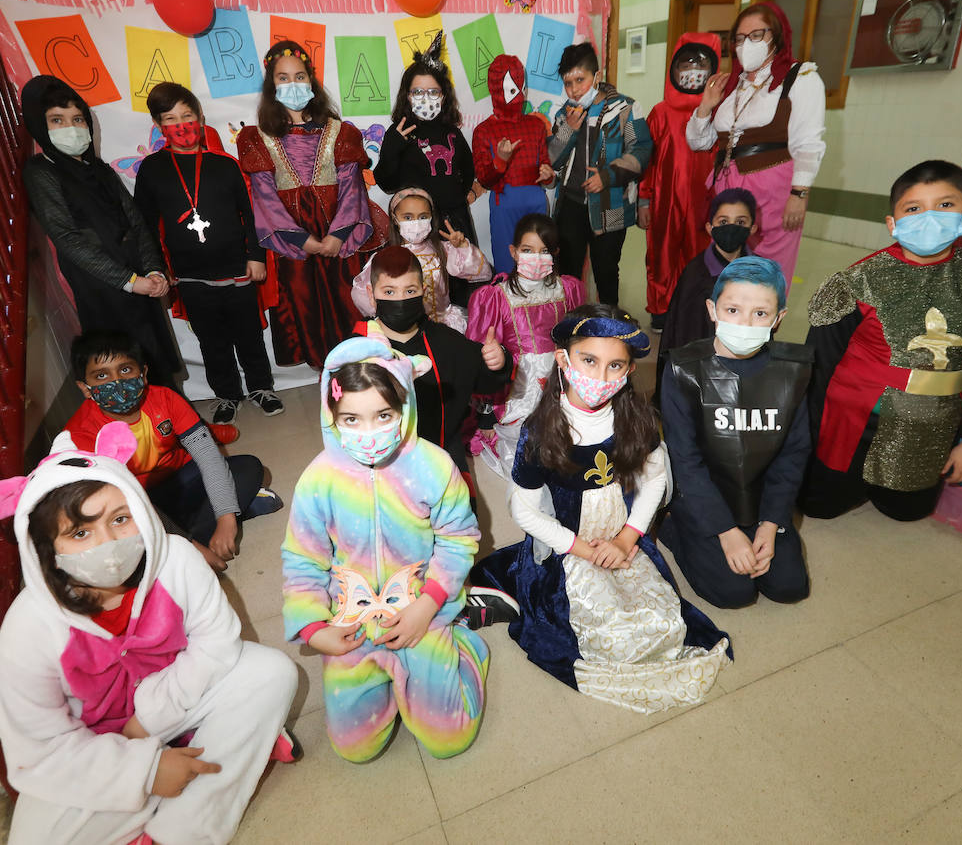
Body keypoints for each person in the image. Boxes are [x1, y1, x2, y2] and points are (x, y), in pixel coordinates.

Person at [0, 424, 299, 845]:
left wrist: (146, 725)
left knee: (269, 672)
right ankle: (224, 749)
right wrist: (142, 770)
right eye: (80, 532)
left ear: (142, 512)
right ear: (45, 548)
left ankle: (185, 829)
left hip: (174, 704)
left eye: (120, 519)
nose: (107, 543)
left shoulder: (178, 560)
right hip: (93, 746)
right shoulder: (29, 627)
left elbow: (216, 644)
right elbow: (40, 749)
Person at [470, 306, 731, 713]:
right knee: (608, 630)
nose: (600, 378)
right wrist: (584, 550)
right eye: (589, 361)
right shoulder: (539, 433)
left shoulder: (637, 419)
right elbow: (526, 512)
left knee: (658, 622)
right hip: (569, 545)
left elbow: (655, 481)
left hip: (622, 535)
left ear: (628, 372)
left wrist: (628, 537)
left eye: (615, 366)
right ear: (564, 360)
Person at [282, 336, 489, 762]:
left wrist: (429, 606)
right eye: (351, 419)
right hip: (353, 620)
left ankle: (466, 646)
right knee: (355, 749)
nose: (370, 431)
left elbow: (459, 538)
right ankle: (392, 683)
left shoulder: (434, 467)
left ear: (404, 409)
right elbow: (303, 558)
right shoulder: (318, 479)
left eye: (383, 415)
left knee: (449, 741)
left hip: (422, 611)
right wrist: (312, 629)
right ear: (331, 416)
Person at [801, 160, 962, 522]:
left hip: (930, 423)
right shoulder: (858, 281)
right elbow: (819, 362)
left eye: (945, 205)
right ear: (893, 222)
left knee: (907, 512)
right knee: (820, 507)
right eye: (914, 208)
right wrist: (805, 438)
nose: (929, 218)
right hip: (853, 417)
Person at [659, 257, 812, 608]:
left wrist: (771, 525)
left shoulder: (792, 373)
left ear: (779, 318)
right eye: (732, 309)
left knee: (789, 588)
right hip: (705, 499)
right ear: (712, 310)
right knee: (733, 594)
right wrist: (726, 534)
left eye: (761, 313)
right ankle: (674, 527)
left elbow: (793, 454)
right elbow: (686, 460)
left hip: (762, 501)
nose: (745, 322)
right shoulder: (683, 370)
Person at [65, 330, 283, 573]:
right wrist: (195, 549)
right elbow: (115, 502)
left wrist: (226, 520)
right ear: (85, 388)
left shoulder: (166, 399)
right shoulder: (80, 434)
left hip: (183, 478)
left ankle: (190, 536)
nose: (116, 382)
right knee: (120, 538)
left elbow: (209, 458)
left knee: (248, 467)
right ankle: (232, 514)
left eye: (126, 370)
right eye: (101, 375)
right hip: (135, 502)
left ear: (143, 374)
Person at [135, 82, 282, 422]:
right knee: (211, 341)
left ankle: (261, 387)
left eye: (188, 115)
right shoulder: (153, 168)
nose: (181, 125)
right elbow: (144, 225)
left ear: (201, 118)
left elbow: (250, 214)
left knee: (249, 336)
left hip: (238, 269)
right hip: (190, 275)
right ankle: (227, 395)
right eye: (171, 119)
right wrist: (158, 267)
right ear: (159, 126)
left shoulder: (224, 164)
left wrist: (256, 256)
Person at [20, 75, 181, 385]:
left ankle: (176, 424)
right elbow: (67, 238)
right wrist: (129, 282)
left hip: (141, 280)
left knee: (156, 358)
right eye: (57, 120)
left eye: (77, 119)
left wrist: (154, 271)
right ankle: (145, 432)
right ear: (40, 125)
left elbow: (136, 223)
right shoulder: (41, 172)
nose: (72, 127)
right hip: (102, 288)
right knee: (123, 366)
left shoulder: (100, 169)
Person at [236, 40, 382, 370]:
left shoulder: (340, 132)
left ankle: (359, 369)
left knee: (348, 302)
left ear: (311, 81)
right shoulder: (256, 139)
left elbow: (352, 188)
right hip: (295, 243)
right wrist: (303, 241)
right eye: (283, 78)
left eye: (299, 76)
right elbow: (264, 198)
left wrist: (336, 236)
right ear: (271, 85)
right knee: (306, 305)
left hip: (338, 238)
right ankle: (325, 371)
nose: (293, 85)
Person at [687, 3, 826, 289]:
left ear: (776, 36)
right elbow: (699, 141)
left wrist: (799, 194)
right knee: (728, 262)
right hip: (727, 186)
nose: (746, 44)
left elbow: (808, 141)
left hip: (772, 187)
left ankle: (764, 327)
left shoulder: (800, 77)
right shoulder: (730, 85)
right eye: (739, 38)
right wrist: (706, 106)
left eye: (756, 35)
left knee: (768, 267)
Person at [352, 245, 510, 485]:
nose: (401, 299)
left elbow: (485, 380)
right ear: (371, 295)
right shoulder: (357, 347)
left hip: (443, 454)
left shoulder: (446, 341)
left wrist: (498, 360)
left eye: (410, 290)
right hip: (381, 462)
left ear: (423, 292)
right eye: (389, 292)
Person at [466, 213, 586, 478]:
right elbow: (481, 361)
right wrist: (486, 415)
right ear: (514, 252)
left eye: (544, 251)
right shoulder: (496, 297)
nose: (536, 258)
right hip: (518, 383)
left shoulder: (568, 289)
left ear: (555, 253)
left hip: (561, 378)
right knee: (529, 455)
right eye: (528, 250)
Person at [374, 32, 479, 304]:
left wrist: (462, 195)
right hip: (417, 229)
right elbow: (384, 181)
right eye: (418, 92)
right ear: (407, 96)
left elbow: (468, 171)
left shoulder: (453, 134)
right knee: (420, 292)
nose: (425, 98)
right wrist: (393, 146)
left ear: (443, 96)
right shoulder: (398, 132)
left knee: (458, 292)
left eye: (433, 92)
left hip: (453, 225)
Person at [548, 43, 652, 308]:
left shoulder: (625, 108)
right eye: (568, 83)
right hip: (571, 204)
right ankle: (572, 328)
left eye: (580, 80)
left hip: (611, 204)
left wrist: (607, 176)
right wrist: (568, 130)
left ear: (597, 75)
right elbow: (552, 158)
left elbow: (641, 150)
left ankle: (608, 332)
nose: (574, 89)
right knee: (569, 273)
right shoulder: (564, 113)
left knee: (606, 271)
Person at [639, 33, 722, 332]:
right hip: (664, 202)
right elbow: (647, 162)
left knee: (699, 255)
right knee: (661, 256)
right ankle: (661, 308)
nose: (692, 71)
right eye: (685, 64)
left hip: (704, 202)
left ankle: (695, 305)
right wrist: (644, 200)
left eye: (700, 64)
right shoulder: (661, 113)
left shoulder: (719, 113)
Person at [655, 187, 758, 398]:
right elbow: (683, 337)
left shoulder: (758, 273)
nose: (731, 227)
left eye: (740, 222)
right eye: (723, 221)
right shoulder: (696, 275)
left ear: (753, 227)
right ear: (710, 228)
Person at [351, 188, 492, 332]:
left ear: (432, 217)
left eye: (423, 216)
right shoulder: (385, 258)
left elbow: (483, 273)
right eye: (408, 217)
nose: (416, 223)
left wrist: (462, 248)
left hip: (446, 327)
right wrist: (389, 317)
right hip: (406, 332)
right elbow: (360, 293)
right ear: (394, 218)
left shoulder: (443, 249)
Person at [472, 54, 556, 275]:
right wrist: (500, 160)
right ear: (496, 90)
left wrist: (547, 175)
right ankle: (507, 310)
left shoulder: (536, 125)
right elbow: (484, 178)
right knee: (507, 268)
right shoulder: (484, 130)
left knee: (539, 265)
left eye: (521, 89)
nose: (518, 97)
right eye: (511, 90)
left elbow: (545, 167)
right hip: (505, 202)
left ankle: (539, 308)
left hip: (536, 201)